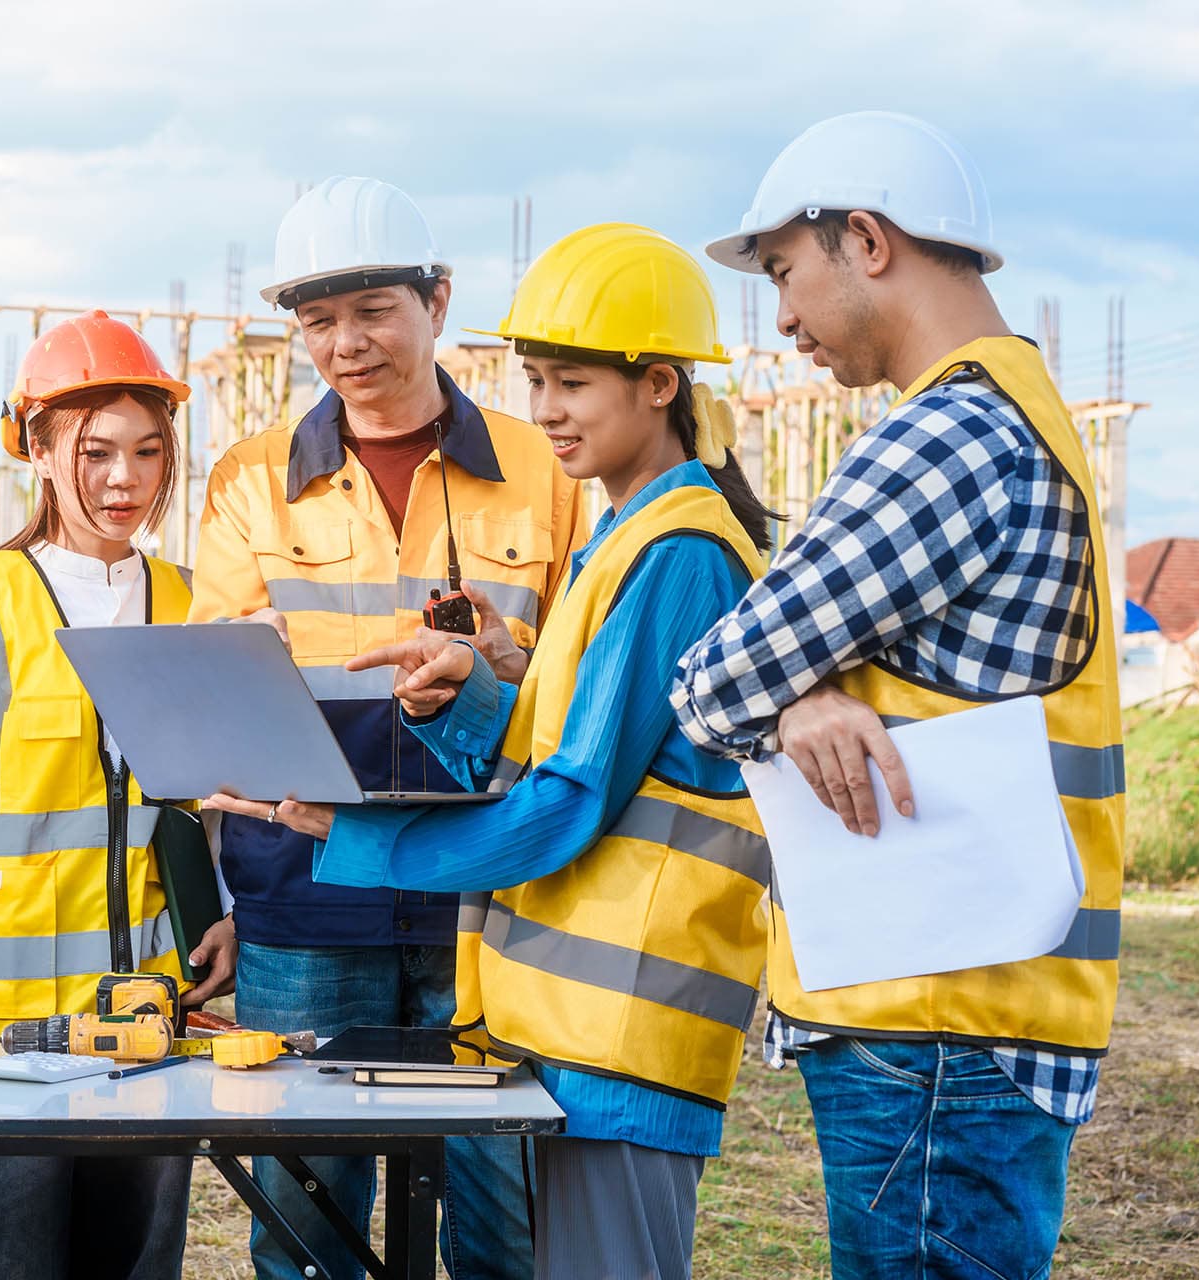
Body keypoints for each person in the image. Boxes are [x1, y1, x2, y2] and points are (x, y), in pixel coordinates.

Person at [210, 223, 777, 1279]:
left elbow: (568, 798)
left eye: (571, 385)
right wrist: (473, 691)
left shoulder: (679, 551)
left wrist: (363, 837)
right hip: (571, 1015)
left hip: (626, 1024)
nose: (548, 412)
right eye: (536, 381)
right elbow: (561, 728)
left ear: (660, 384)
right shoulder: (627, 536)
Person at [674, 111, 1124, 1279]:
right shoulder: (1025, 412)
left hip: (934, 1021)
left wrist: (775, 694)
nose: (780, 317)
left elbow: (716, 679)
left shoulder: (952, 432)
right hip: (978, 1005)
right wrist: (805, 695)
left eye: (784, 273)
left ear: (865, 240)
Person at [190, 175, 584, 1280]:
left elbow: (582, 676)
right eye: (318, 319)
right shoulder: (250, 480)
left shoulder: (545, 472)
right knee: (307, 1225)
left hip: (490, 897)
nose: (345, 342)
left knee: (504, 1222)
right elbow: (210, 699)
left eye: (372, 310)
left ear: (438, 301)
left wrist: (501, 659)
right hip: (310, 896)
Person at [0, 310, 228, 1280]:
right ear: (34, 448)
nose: (126, 479)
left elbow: (204, 801)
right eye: (97, 450)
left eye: (149, 452)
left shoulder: (191, 600)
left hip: (146, 1023)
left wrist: (230, 915)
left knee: (133, 1264)